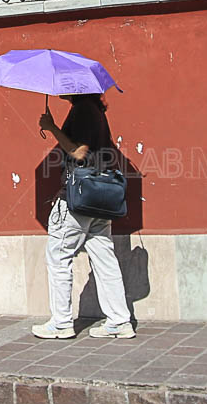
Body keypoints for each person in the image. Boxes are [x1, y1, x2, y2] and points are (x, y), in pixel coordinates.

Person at [32, 93, 135, 340]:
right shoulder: (96, 112)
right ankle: (120, 320)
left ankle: (61, 323)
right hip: (99, 198)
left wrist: (52, 128)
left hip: (79, 198)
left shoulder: (83, 111)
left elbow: (79, 154)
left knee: (58, 256)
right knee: (104, 258)